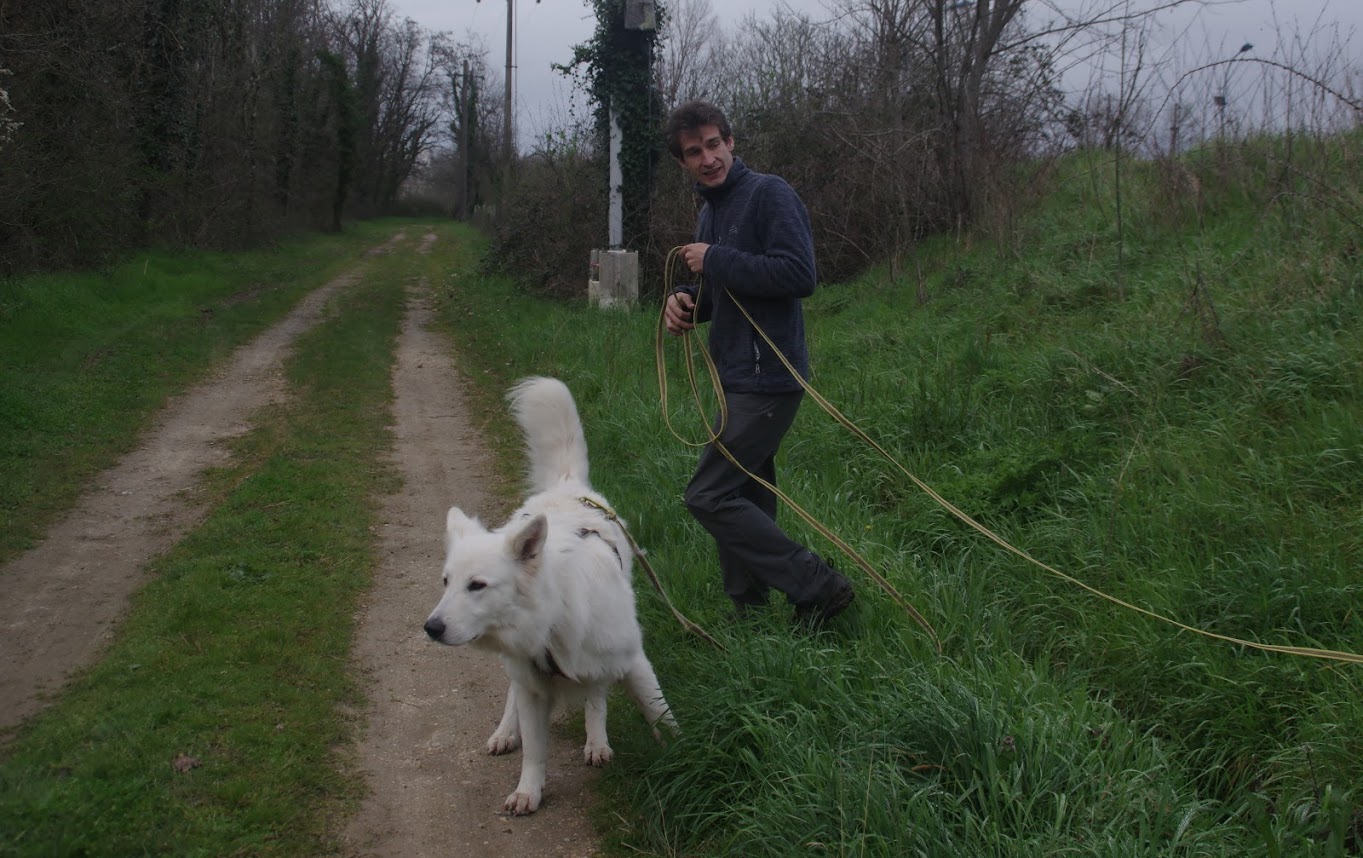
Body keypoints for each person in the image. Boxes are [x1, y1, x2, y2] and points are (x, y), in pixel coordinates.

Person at [661, 99, 854, 626]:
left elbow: (799, 275)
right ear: (683, 162)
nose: (708, 158)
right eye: (694, 151)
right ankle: (749, 613)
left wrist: (715, 258)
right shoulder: (710, 211)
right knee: (743, 493)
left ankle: (818, 585)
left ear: (731, 141)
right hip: (733, 377)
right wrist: (686, 303)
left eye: (714, 144)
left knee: (708, 494)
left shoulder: (770, 193)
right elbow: (726, 292)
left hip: (772, 378)